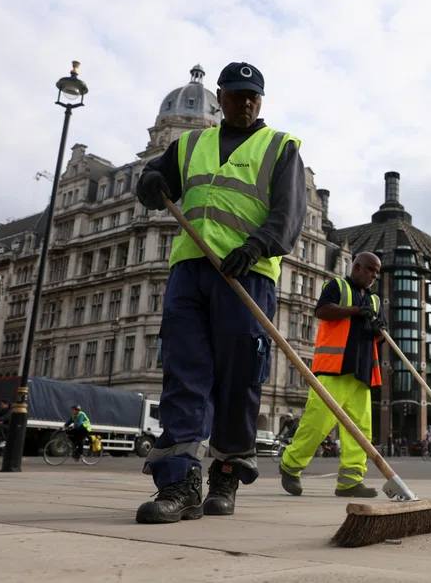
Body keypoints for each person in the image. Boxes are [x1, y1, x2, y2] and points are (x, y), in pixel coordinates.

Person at [134, 62, 307, 524]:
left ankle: (226, 475)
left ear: (262, 100)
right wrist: (149, 182)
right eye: (236, 95)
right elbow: (154, 180)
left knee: (239, 379)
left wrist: (255, 247)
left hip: (248, 275)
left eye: (253, 96)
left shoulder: (281, 147)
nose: (246, 103)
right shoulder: (191, 144)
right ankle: (179, 483)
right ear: (221, 96)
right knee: (184, 372)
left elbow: (289, 214)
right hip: (190, 270)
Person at [279, 253, 387, 498]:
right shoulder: (337, 285)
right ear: (357, 267)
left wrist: (378, 331)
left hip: (362, 374)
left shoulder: (375, 301)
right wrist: (356, 311)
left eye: (377, 272)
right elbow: (323, 311)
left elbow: (380, 335)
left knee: (360, 431)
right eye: (371, 270)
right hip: (333, 369)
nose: (374, 275)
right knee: (317, 424)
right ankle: (290, 466)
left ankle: (350, 481)